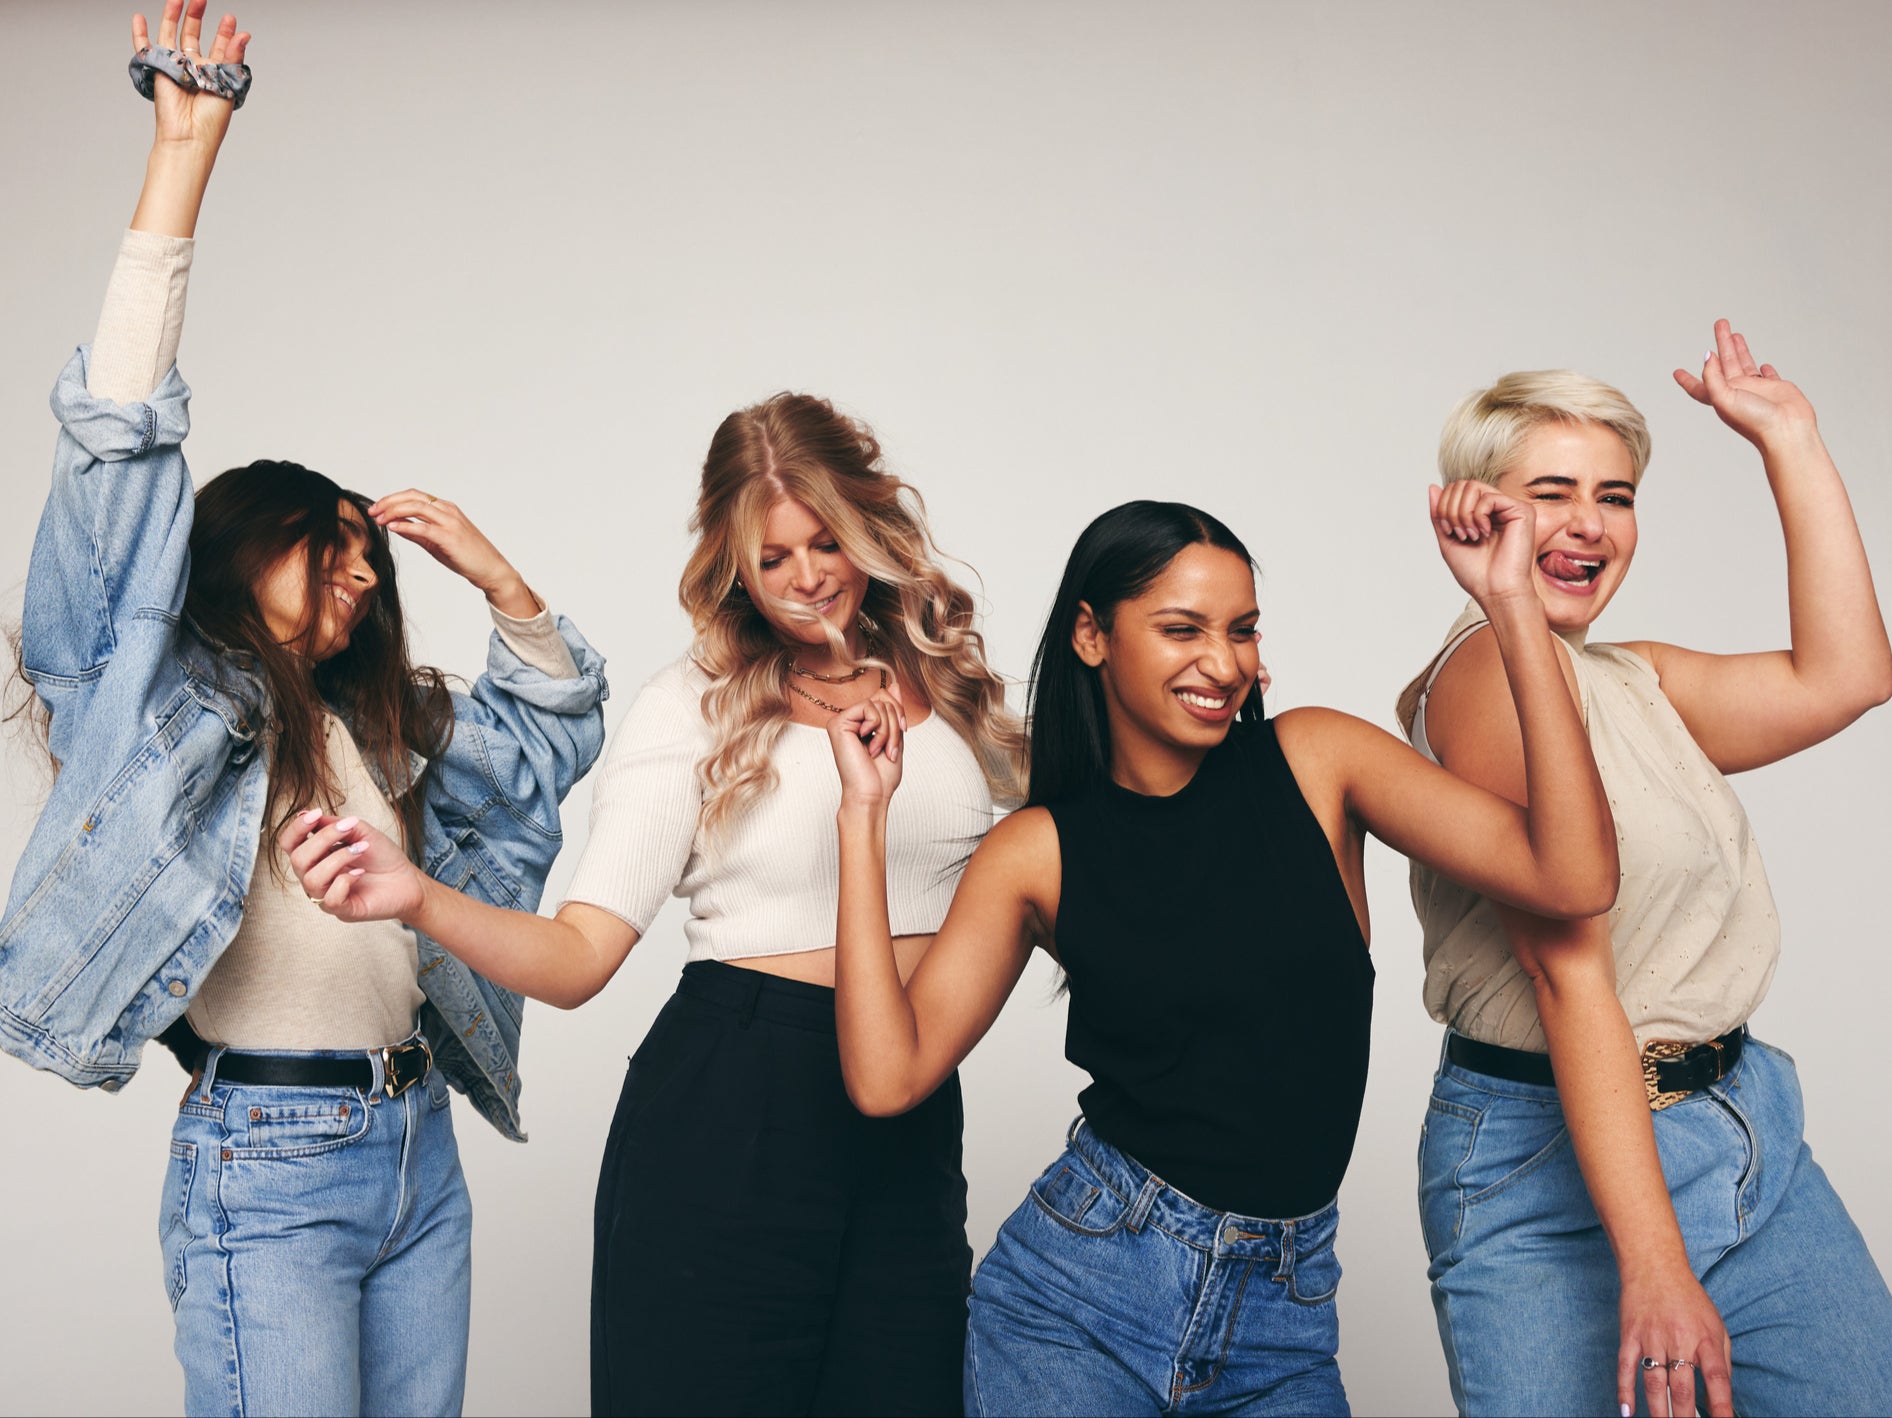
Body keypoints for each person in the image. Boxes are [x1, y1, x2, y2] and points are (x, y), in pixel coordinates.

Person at [1, 6, 607, 1413]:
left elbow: (556, 735)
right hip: (265, 1153)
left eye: (368, 549)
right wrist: (182, 161)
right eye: (321, 537)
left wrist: (498, 575)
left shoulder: (376, 727)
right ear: (234, 541)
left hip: (418, 1144)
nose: (356, 562)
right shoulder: (142, 688)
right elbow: (114, 438)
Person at [284, 389, 1028, 1415]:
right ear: (733, 563)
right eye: (774, 558)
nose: (809, 577)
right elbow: (582, 953)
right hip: (735, 1106)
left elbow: (1060, 856)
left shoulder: (945, 686)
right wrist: (416, 897)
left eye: (829, 541)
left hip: (906, 1110)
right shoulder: (694, 705)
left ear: (870, 529)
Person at [812, 491, 1620, 1415]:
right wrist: (863, 815)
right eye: (1181, 629)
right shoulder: (1036, 851)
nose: (1222, 662)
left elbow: (1575, 877)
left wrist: (1512, 607)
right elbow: (887, 1077)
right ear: (1091, 635)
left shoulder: (1318, 762)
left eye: (1241, 630)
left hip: (1285, 1314)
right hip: (1080, 1302)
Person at [1399, 334, 1892, 1418]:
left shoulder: (1633, 678)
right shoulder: (1482, 673)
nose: (1587, 523)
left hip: (1740, 1121)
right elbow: (1570, 969)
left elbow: (1847, 672)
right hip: (1551, 1165)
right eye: (1549, 493)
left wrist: (1788, 438)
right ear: (1474, 512)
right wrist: (1653, 1261)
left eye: (1612, 495)